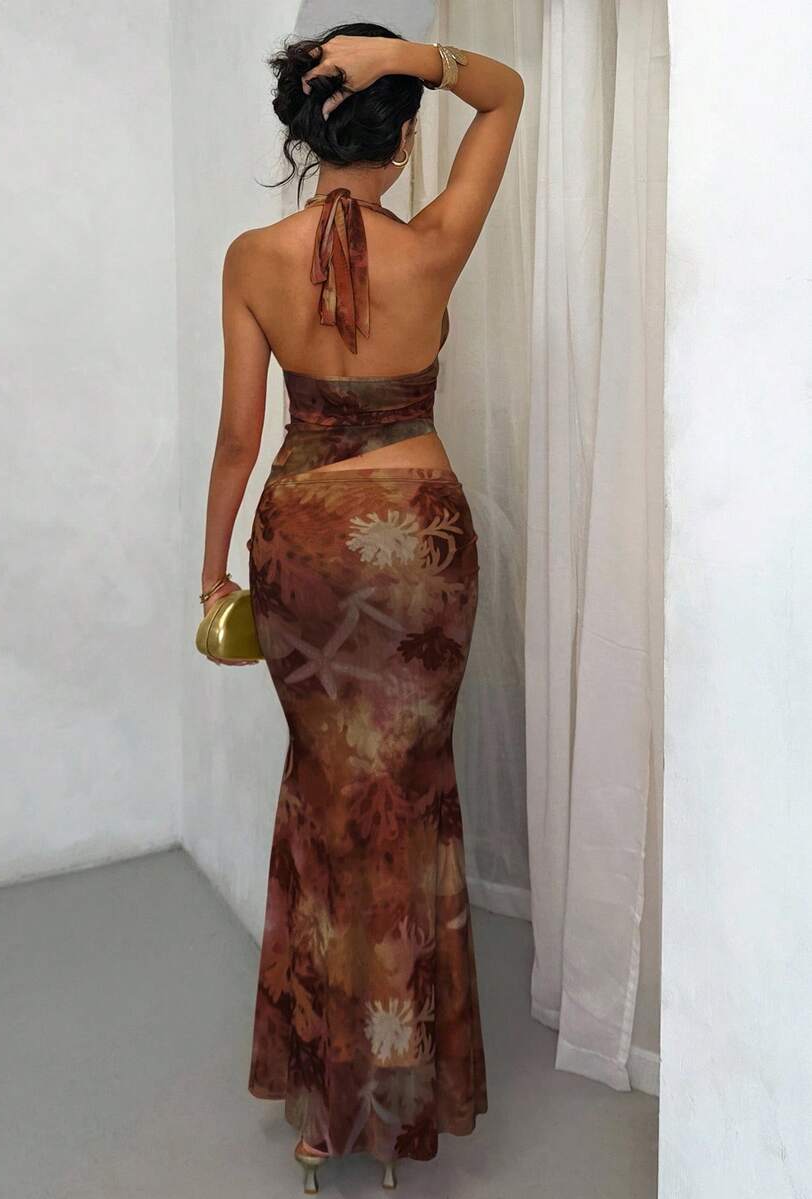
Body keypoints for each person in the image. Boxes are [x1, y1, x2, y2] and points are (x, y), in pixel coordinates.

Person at [198, 22, 523, 1192]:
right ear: (403, 139)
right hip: (422, 545)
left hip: (308, 548)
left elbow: (240, 438)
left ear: (303, 131)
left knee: (332, 801)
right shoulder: (435, 241)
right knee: (409, 797)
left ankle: (322, 1110)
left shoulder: (252, 257)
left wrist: (213, 574)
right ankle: (398, 1111)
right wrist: (418, 62)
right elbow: (507, 96)